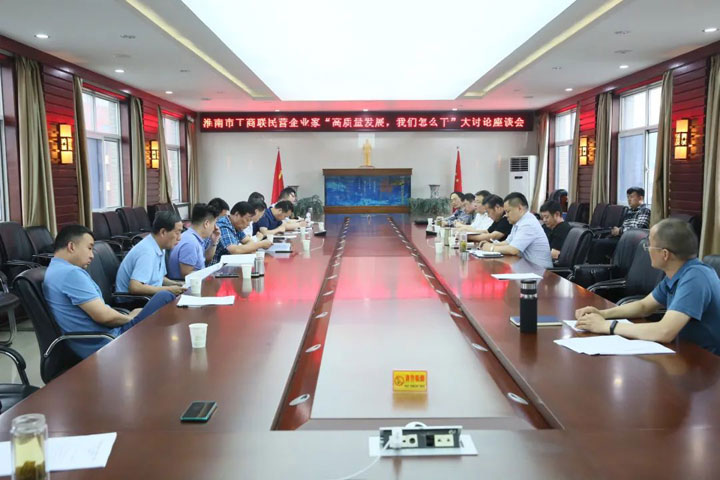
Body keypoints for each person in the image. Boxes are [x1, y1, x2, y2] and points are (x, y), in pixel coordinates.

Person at [575, 218, 720, 354]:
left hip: (707, 363)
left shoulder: (695, 277)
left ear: (665, 254)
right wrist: (602, 314)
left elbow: (665, 331)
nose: (648, 249)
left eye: (649, 245)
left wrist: (607, 326)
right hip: (686, 352)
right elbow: (644, 306)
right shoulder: (677, 274)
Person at [43, 225, 176, 359]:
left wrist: (129, 315)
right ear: (71, 247)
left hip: (101, 338)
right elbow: (104, 316)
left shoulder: (54, 269)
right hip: (107, 342)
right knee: (165, 296)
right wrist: (130, 318)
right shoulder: (71, 274)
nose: (92, 255)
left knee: (150, 310)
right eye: (89, 248)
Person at [116, 211, 186, 297]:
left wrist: (177, 284)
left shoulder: (159, 247)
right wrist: (169, 289)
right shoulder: (147, 252)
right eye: (177, 233)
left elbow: (158, 279)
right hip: (133, 301)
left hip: (149, 297)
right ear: (163, 232)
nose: (179, 238)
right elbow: (135, 287)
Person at [478, 192, 553, 269]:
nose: (506, 215)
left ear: (519, 208)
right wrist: (490, 244)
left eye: (508, 211)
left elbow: (513, 250)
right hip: (526, 267)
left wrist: (491, 248)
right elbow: (508, 242)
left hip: (539, 271)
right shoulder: (518, 222)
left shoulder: (528, 223)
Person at [588, 187, 651, 262]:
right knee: (592, 241)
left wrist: (620, 231)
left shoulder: (644, 211)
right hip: (621, 238)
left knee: (599, 245)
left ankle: (596, 267)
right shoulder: (629, 211)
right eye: (628, 197)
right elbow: (624, 227)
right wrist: (616, 230)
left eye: (631, 197)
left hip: (631, 242)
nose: (629, 199)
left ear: (640, 198)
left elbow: (639, 229)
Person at [167, 203, 220, 280]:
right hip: (185, 284)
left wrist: (214, 241)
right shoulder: (190, 243)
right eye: (214, 223)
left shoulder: (192, 237)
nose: (215, 227)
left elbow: (205, 259)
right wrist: (210, 274)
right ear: (206, 224)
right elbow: (186, 274)